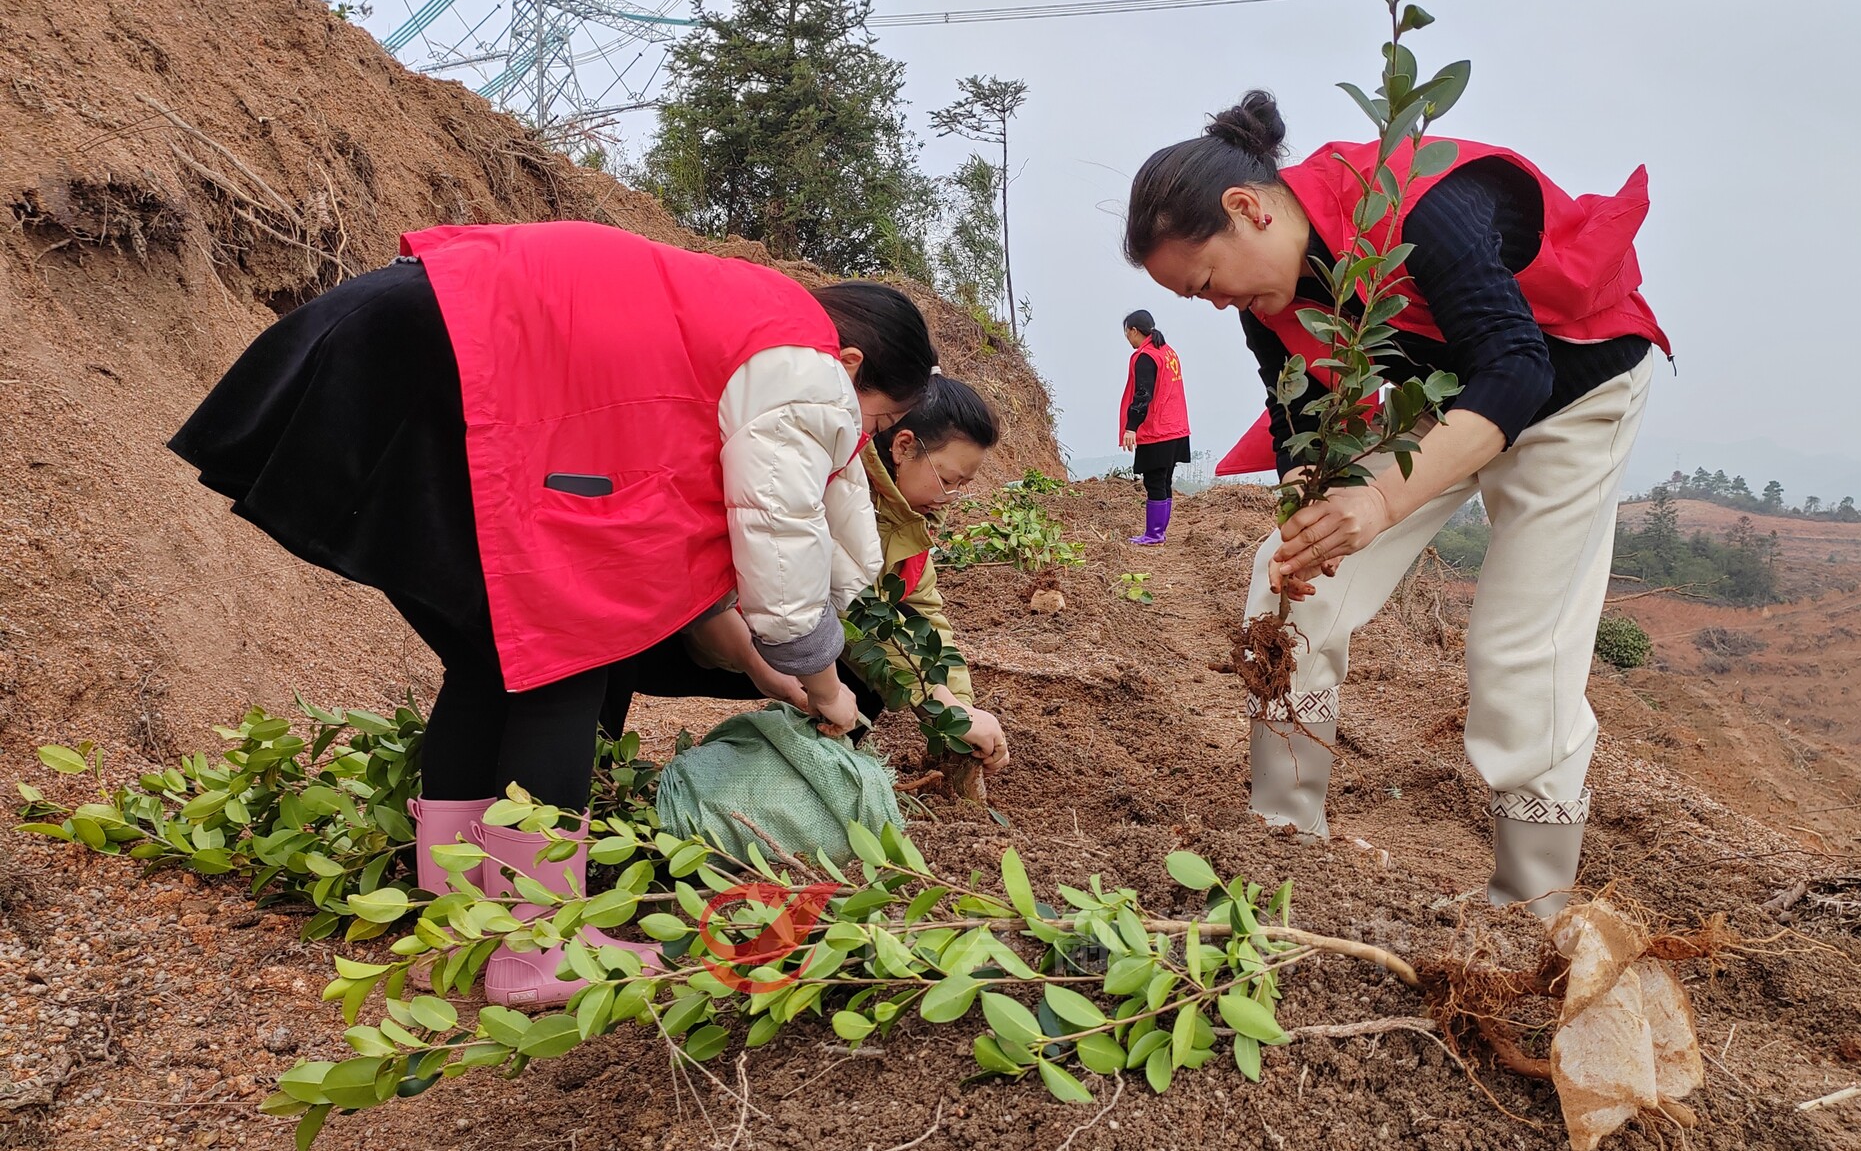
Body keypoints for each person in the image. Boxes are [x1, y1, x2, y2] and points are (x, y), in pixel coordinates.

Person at [169, 222, 936, 1003]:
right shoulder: (800, 359)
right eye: (871, 423)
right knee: (569, 648)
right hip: (441, 358)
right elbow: (778, 522)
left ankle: (462, 921)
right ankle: (535, 947)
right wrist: (822, 674)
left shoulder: (739, 317)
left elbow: (749, 508)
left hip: (402, 338)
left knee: (488, 658)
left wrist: (771, 651)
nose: (858, 439)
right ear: (849, 367)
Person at [1124, 92, 1669, 917]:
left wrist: (1378, 500)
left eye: (1207, 282)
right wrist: (1312, 506)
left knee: (1521, 654)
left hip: (1570, 389)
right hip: (1444, 401)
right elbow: (1301, 415)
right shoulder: (1271, 298)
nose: (1217, 305)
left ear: (1249, 210)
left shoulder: (1424, 203)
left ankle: (1532, 907)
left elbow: (1516, 369)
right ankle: (1281, 840)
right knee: (1286, 575)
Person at [847, 374, 1011, 774]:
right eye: (948, 479)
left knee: (877, 672)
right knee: (862, 666)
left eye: (962, 485)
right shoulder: (846, 497)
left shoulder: (911, 517)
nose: (950, 495)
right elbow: (849, 613)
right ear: (904, 447)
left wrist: (960, 710)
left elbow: (925, 614)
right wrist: (941, 704)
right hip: (728, 634)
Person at [1118, 309, 1192, 545]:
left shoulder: (1146, 357)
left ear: (1134, 331)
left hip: (1157, 431)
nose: (1127, 338)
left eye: (1127, 333)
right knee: (1164, 480)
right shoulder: (1168, 352)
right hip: (1177, 428)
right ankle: (1159, 531)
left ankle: (1154, 534)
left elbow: (1143, 395)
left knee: (1154, 482)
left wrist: (1131, 427)